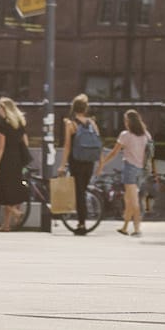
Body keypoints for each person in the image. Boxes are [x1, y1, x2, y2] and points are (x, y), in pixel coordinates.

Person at [101, 110, 152, 236]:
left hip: (130, 169)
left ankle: (137, 229)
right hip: (142, 170)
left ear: (129, 121)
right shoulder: (146, 135)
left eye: (125, 120)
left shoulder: (125, 135)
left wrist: (103, 162)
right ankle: (124, 227)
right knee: (129, 199)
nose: (124, 123)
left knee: (133, 200)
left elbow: (114, 152)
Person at [61, 94, 104, 231]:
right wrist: (101, 164)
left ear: (73, 108)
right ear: (86, 108)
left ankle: (81, 223)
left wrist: (62, 165)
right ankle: (82, 220)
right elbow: (99, 144)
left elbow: (67, 146)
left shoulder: (71, 124)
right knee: (83, 191)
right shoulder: (92, 123)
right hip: (89, 162)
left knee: (78, 192)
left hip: (76, 162)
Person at [0, 96, 32, 231]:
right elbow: (26, 142)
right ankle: (6, 225)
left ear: (4, 109)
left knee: (1, 192)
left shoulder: (3, 124)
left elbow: (1, 147)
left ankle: (15, 213)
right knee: (11, 192)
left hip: (6, 160)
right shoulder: (19, 123)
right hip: (17, 160)